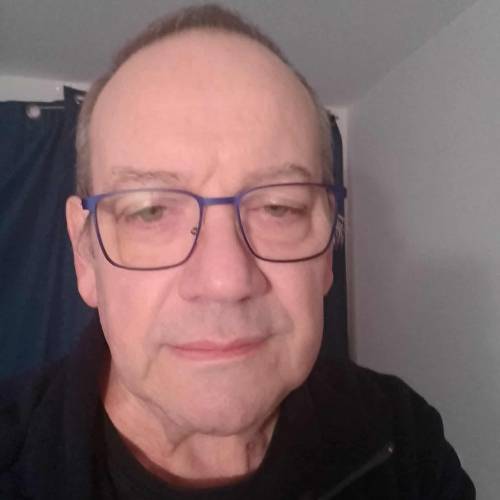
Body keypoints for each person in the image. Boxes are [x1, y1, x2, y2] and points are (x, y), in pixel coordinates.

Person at [0, 4, 474, 499]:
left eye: (279, 207)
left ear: (326, 255)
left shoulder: (403, 438)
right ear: (85, 254)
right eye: (150, 211)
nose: (226, 281)